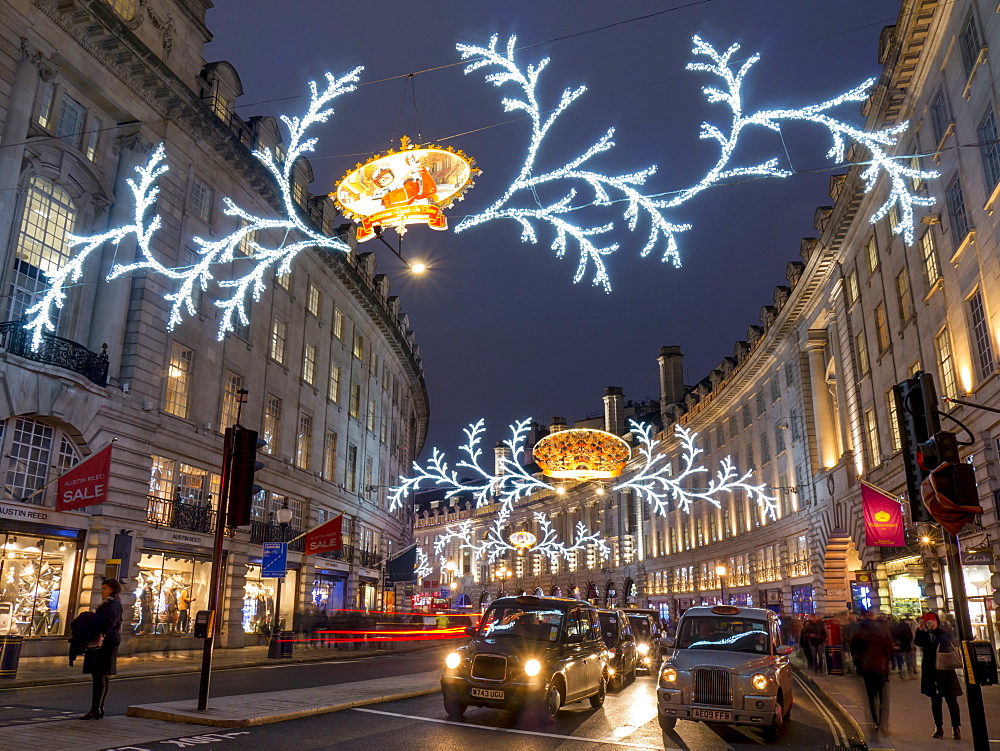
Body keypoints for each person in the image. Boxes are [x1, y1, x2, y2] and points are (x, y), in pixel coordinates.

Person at [914, 612, 963, 739]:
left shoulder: (943, 632)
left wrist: (936, 630)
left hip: (945, 671)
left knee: (952, 701)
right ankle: (939, 727)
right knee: (935, 701)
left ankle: (956, 727)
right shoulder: (924, 635)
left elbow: (947, 642)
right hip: (931, 672)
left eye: (931, 622)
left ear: (936, 621)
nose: (929, 625)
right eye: (927, 623)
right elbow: (918, 642)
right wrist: (920, 628)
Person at [80, 579, 124, 720]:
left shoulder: (111, 604)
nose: (102, 590)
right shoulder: (113, 603)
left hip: (104, 642)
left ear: (112, 589)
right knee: (103, 674)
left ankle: (96, 709)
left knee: (99, 674)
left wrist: (92, 619)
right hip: (108, 640)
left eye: (105, 588)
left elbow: (108, 623)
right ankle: (98, 707)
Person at [849, 609, 894, 732]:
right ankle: (883, 723)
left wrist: (858, 664)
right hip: (881, 667)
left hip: (866, 667)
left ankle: (875, 721)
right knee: (882, 696)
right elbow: (889, 646)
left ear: (863, 617)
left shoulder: (858, 629)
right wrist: (889, 663)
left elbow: (853, 648)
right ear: (873, 617)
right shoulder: (881, 628)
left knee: (871, 696)